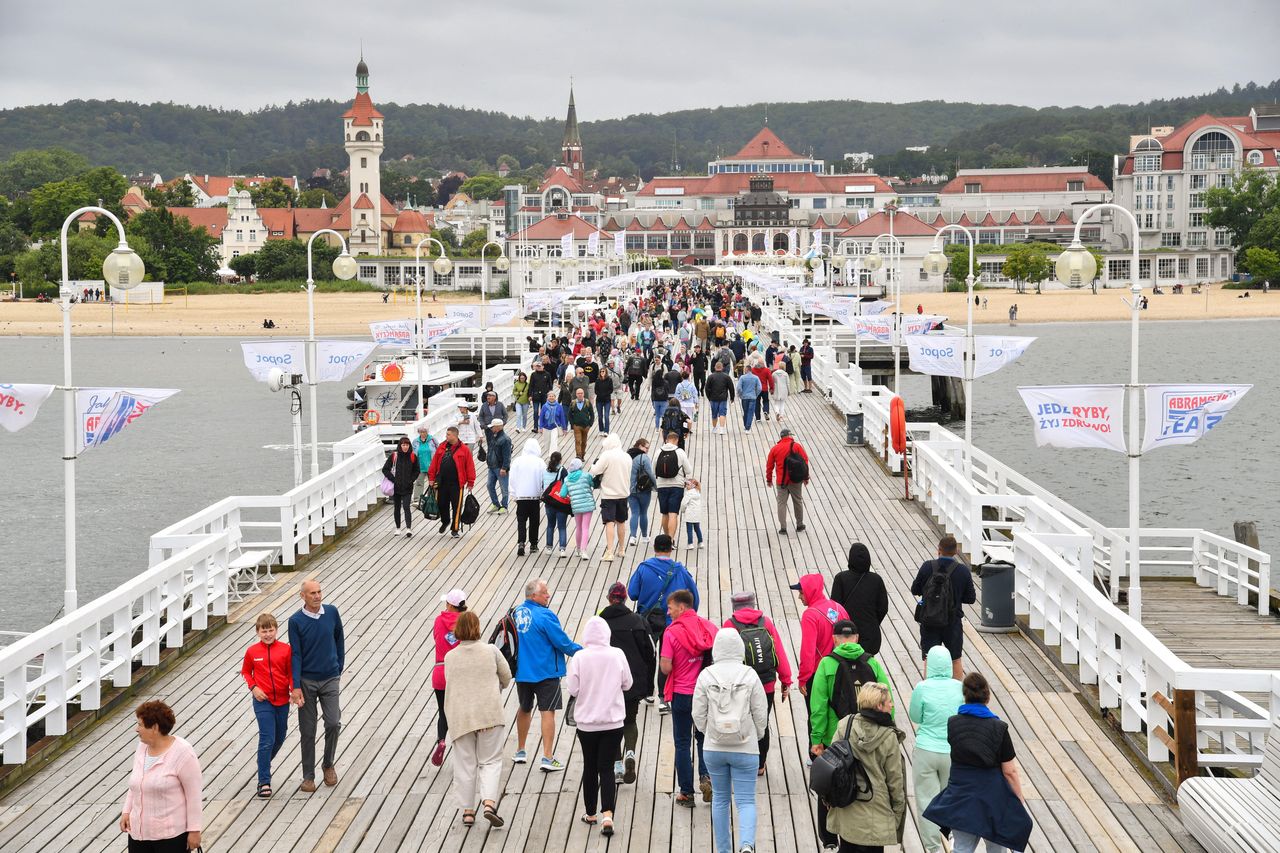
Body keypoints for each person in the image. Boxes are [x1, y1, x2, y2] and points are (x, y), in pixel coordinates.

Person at [922, 673, 1033, 853]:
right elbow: (1009, 771)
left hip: (961, 797)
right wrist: (1018, 798)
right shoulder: (999, 728)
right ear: (987, 696)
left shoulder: (953, 723)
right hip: (992, 800)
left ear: (965, 695)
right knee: (996, 850)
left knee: (962, 849)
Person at [693, 627, 769, 853]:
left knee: (720, 800)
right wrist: (757, 735)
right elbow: (760, 712)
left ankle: (724, 850)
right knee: (746, 801)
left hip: (714, 747)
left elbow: (697, 713)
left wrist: (709, 732)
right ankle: (746, 845)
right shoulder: (750, 674)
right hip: (745, 747)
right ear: (739, 648)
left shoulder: (707, 675)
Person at [566, 615, 633, 836]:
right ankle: (608, 816)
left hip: (586, 724)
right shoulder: (617, 654)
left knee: (590, 766)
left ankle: (591, 812)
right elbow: (628, 683)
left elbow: (573, 689)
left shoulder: (579, 657)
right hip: (613, 722)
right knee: (607, 767)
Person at [443, 610, 511, 828]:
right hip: (488, 714)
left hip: (461, 717)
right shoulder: (490, 651)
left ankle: (468, 811)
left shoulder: (450, 657)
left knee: (465, 764)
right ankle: (489, 804)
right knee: (490, 761)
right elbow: (507, 677)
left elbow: (450, 682)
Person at [823, 682, 907, 853]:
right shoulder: (889, 737)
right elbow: (895, 782)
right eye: (889, 702)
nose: (891, 705)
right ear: (879, 706)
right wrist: (897, 815)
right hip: (876, 814)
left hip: (847, 806)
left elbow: (830, 764)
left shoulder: (845, 724)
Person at [512, 578, 583, 772]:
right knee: (547, 712)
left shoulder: (516, 613)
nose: (548, 595)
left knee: (524, 708)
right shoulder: (546, 616)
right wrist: (584, 651)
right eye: (545, 593)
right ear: (534, 596)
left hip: (522, 672)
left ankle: (520, 750)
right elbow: (563, 643)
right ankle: (547, 757)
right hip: (545, 673)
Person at [120, 700, 203, 852]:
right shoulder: (142, 747)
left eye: (140, 725)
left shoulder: (183, 753)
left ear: (155, 728)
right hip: (138, 834)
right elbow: (136, 783)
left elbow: (194, 796)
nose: (136, 729)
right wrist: (127, 811)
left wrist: (194, 831)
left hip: (170, 837)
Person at [725, 590, 793, 774]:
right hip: (766, 684)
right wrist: (786, 680)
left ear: (734, 607)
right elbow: (778, 651)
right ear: (753, 604)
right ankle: (760, 765)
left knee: (740, 720)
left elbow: (724, 656)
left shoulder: (730, 625)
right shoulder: (766, 623)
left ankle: (742, 761)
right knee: (762, 722)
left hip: (741, 685)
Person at [628, 533, 698, 710]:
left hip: (647, 620)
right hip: (672, 621)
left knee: (647, 655)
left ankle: (647, 693)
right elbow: (694, 596)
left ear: (655, 549)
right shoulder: (680, 570)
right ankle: (663, 698)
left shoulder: (643, 568)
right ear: (670, 549)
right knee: (667, 657)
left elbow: (633, 593)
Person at [661, 588, 717, 806]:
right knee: (704, 738)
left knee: (682, 742)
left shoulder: (671, 632)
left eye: (670, 607)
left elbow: (666, 667)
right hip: (704, 693)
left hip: (681, 695)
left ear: (682, 607)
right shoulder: (708, 627)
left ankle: (686, 792)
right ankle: (707, 776)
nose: (668, 612)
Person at [288, 580, 345, 792]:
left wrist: (338, 667)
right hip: (306, 680)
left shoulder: (331, 612)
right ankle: (308, 776)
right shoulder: (295, 621)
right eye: (312, 593)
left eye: (319, 592)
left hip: (330, 677)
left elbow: (339, 639)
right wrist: (295, 686)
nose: (317, 596)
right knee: (308, 729)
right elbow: (295, 654)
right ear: (302, 596)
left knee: (333, 722)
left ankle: (328, 764)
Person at [599, 581, 656, 786]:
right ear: (625, 599)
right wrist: (649, 686)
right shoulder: (638, 621)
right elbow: (651, 654)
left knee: (611, 725)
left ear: (608, 599)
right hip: (633, 682)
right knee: (629, 721)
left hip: (606, 684)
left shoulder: (600, 623)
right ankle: (630, 751)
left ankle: (617, 766)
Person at [910, 645, 965, 853]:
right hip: (952, 752)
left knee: (926, 800)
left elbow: (915, 716)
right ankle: (953, 843)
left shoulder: (922, 687)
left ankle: (933, 849)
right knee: (951, 798)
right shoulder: (959, 687)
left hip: (926, 749)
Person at [241, 613, 297, 799]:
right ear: (258, 632)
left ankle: (262, 763)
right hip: (262, 700)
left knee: (279, 738)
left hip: (282, 700)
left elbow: (291, 673)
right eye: (264, 631)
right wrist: (254, 687)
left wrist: (293, 690)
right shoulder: (252, 652)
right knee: (267, 739)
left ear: (276, 630)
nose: (267, 634)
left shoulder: (285, 650)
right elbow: (246, 672)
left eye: (271, 630)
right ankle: (264, 780)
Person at [910, 535, 976, 680]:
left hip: (929, 620)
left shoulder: (927, 566)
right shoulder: (963, 571)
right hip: (953, 622)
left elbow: (915, 589)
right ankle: (957, 692)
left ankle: (929, 690)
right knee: (955, 659)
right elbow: (971, 598)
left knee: (929, 657)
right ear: (956, 551)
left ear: (938, 550)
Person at [430, 589, 467, 767]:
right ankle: (463, 749)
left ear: (450, 604)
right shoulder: (465, 622)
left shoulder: (438, 620)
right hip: (459, 673)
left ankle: (441, 741)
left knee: (443, 711)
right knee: (461, 712)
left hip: (440, 671)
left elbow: (436, 638)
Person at [830, 543, 889, 656]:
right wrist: (873, 622)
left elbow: (834, 608)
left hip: (845, 633)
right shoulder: (876, 580)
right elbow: (883, 608)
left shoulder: (841, 578)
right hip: (870, 636)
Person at [428, 426, 477, 538]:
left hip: (456, 484)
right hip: (442, 482)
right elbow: (434, 463)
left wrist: (470, 482)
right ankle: (445, 521)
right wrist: (431, 478)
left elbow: (470, 466)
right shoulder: (441, 447)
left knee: (457, 506)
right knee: (441, 504)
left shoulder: (464, 449)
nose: (446, 436)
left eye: (448, 435)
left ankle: (455, 529)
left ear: (455, 436)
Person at [591, 433, 632, 561]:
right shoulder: (627, 456)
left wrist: (593, 465)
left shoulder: (606, 455)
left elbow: (595, 471)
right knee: (621, 521)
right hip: (623, 493)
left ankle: (609, 551)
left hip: (609, 494)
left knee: (609, 522)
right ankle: (622, 548)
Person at [766, 427, 809, 535]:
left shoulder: (775, 449)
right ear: (789, 436)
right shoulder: (797, 446)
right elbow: (805, 462)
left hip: (781, 482)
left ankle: (783, 528)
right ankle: (799, 524)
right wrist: (805, 477)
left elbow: (769, 466)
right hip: (795, 480)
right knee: (798, 501)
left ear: (781, 437)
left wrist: (769, 479)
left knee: (781, 503)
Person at [510, 436, 544, 556]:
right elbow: (543, 479)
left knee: (521, 520)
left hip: (521, 496)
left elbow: (512, 479)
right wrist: (541, 493)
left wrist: (513, 493)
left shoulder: (517, 461)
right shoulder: (540, 462)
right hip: (535, 496)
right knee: (534, 521)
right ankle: (533, 544)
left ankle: (521, 542)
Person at [654, 431, 691, 539]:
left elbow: (653, 469)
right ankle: (671, 540)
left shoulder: (658, 452)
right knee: (673, 514)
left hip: (662, 486)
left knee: (664, 514)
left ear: (666, 439)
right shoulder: (680, 452)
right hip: (677, 486)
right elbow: (688, 470)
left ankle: (666, 538)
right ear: (677, 440)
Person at [382, 435, 418, 538]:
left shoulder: (413, 456)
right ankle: (398, 528)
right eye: (403, 445)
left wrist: (411, 480)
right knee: (397, 508)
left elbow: (417, 470)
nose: (405, 447)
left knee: (406, 507)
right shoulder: (394, 456)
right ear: (400, 445)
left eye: (407, 445)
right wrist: (393, 480)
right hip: (396, 487)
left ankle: (408, 528)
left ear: (409, 446)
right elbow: (385, 469)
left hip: (407, 487)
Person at [563, 457, 596, 559]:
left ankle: (578, 549)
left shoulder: (567, 479)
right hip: (587, 505)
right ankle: (584, 551)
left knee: (579, 527)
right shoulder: (586, 475)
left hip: (576, 506)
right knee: (585, 527)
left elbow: (562, 494)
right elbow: (594, 484)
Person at [627, 437, 657, 546]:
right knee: (643, 513)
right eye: (646, 447)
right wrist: (656, 487)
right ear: (640, 446)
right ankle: (644, 537)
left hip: (630, 489)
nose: (647, 450)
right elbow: (650, 474)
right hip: (643, 489)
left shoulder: (627, 455)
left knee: (634, 513)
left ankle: (632, 537)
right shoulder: (644, 458)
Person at [543, 451, 570, 556]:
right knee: (562, 526)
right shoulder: (562, 470)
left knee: (550, 525)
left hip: (549, 501)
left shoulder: (546, 470)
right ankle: (562, 549)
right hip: (560, 501)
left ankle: (549, 548)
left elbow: (543, 484)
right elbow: (567, 484)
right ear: (560, 459)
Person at [484, 419, 511, 514]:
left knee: (504, 488)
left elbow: (507, 456)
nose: (491, 428)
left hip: (500, 467)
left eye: (493, 427)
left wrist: (504, 468)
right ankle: (495, 504)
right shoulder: (493, 436)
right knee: (489, 485)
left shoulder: (505, 439)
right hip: (492, 466)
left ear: (498, 427)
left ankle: (504, 506)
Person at [411, 424, 438, 508]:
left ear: (427, 432)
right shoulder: (415, 441)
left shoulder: (433, 440)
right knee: (419, 482)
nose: (423, 433)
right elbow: (412, 453)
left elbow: (439, 449)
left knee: (433, 483)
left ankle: (432, 498)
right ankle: (417, 499)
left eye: (424, 431)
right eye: (421, 432)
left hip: (431, 465)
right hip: (420, 465)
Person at [705, 361, 735, 435]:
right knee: (722, 413)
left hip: (713, 398)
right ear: (722, 368)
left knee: (714, 414)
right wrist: (732, 397)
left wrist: (709, 397)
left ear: (715, 367)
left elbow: (706, 388)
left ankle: (714, 428)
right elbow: (731, 388)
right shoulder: (726, 377)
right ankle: (721, 429)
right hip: (723, 398)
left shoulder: (710, 377)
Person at [538, 389, 568, 456]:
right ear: (547, 398)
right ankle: (549, 452)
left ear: (555, 397)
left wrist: (564, 428)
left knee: (554, 441)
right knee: (547, 442)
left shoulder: (559, 407)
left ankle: (552, 455)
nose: (551, 397)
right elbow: (541, 417)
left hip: (555, 427)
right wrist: (540, 427)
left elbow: (562, 418)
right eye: (550, 396)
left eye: (552, 396)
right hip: (546, 427)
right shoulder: (544, 406)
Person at [568, 387, 594, 460]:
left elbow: (592, 414)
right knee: (578, 441)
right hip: (577, 425)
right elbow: (569, 415)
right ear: (576, 394)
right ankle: (578, 455)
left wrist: (590, 424)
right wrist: (573, 424)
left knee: (584, 442)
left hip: (586, 426)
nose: (580, 395)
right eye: (578, 393)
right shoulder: (573, 403)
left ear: (583, 394)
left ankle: (582, 455)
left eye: (581, 393)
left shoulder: (587, 402)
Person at [737, 367, 762, 432]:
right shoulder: (756, 378)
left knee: (745, 411)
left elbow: (739, 388)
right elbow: (759, 388)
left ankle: (746, 425)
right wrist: (755, 394)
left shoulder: (742, 377)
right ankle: (747, 427)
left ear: (746, 370)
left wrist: (740, 395)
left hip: (744, 397)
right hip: (752, 397)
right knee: (750, 412)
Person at [682, 477, 705, 548]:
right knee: (697, 528)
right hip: (697, 514)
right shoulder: (697, 492)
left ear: (693, 486)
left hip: (689, 514)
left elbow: (683, 503)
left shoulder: (688, 494)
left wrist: (683, 510)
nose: (686, 486)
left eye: (688, 485)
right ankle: (700, 542)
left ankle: (690, 543)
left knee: (689, 529)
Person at [530, 362, 554, 429]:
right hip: (536, 395)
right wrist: (530, 395)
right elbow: (531, 385)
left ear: (543, 366)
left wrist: (549, 393)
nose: (538, 367)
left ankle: (543, 426)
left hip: (544, 395)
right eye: (537, 366)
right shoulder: (533, 375)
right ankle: (535, 427)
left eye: (540, 366)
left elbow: (550, 384)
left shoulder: (547, 374)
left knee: (544, 411)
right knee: (535, 411)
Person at [750, 356, 774, 422]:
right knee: (766, 401)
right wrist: (771, 388)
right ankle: (766, 411)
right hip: (764, 389)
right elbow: (770, 380)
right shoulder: (767, 370)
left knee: (757, 403)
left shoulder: (753, 370)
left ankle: (758, 418)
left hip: (756, 389)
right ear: (763, 363)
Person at [594, 363, 615, 435]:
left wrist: (605, 394)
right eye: (601, 372)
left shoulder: (609, 380)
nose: (602, 373)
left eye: (603, 371)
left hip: (607, 400)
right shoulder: (597, 380)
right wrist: (600, 394)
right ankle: (601, 429)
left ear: (606, 372)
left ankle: (606, 431)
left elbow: (611, 389)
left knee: (606, 416)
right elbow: (595, 390)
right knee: (600, 416)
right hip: (599, 400)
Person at [771, 357, 789, 422]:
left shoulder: (774, 373)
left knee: (776, 403)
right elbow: (788, 383)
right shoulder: (785, 374)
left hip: (776, 389)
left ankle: (776, 412)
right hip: (784, 390)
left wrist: (771, 390)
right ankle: (781, 416)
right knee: (782, 404)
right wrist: (789, 391)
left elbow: (772, 382)